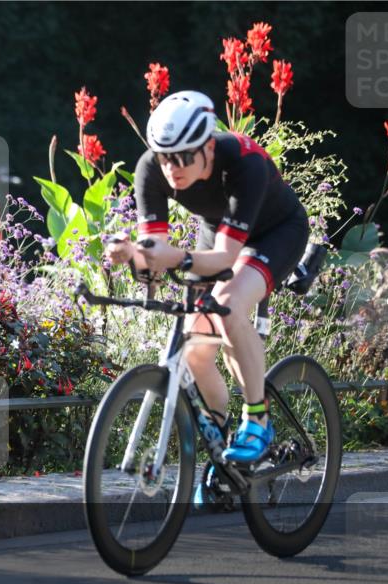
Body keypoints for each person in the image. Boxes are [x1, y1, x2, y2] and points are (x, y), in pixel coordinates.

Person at [104, 90, 308, 502]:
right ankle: (223, 452)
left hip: (277, 230)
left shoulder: (243, 164)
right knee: (196, 349)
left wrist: (172, 256)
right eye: (164, 156)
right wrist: (131, 254)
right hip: (218, 232)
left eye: (182, 157)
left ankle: (258, 419)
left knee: (229, 303)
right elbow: (153, 262)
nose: (171, 168)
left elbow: (228, 259)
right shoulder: (152, 170)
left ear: (209, 147)